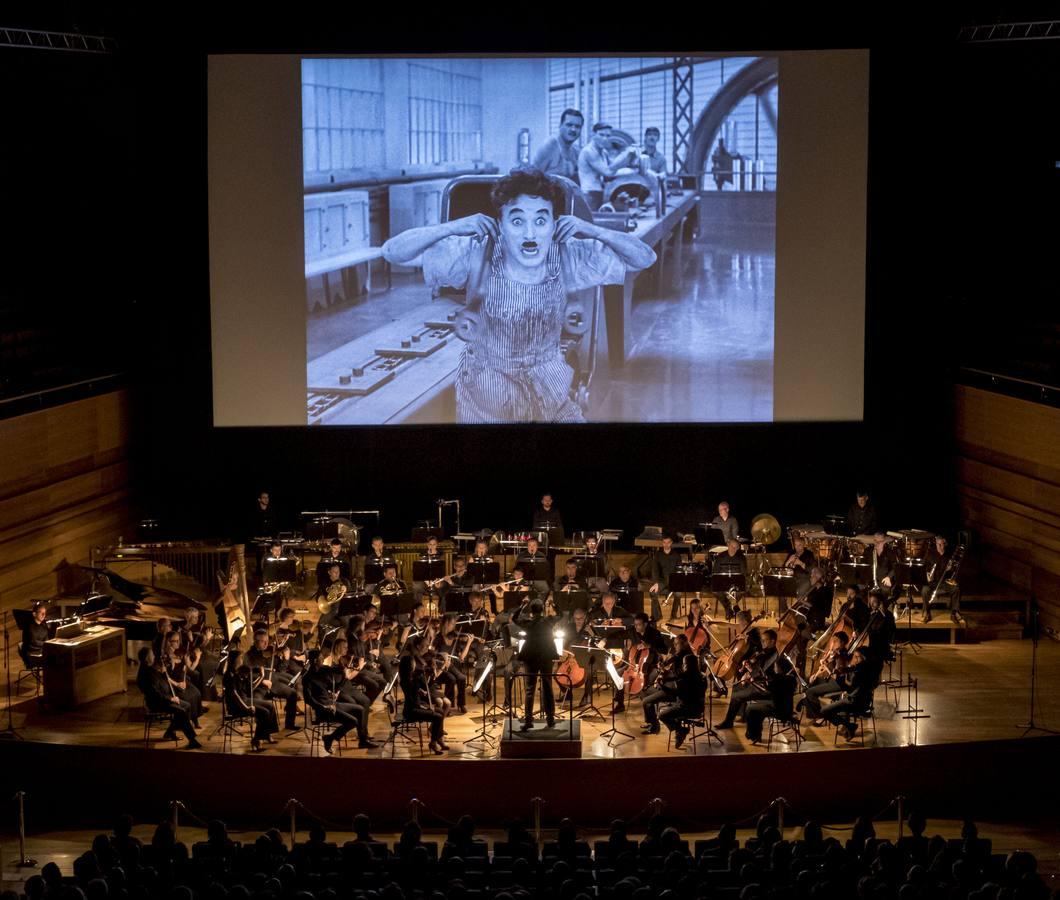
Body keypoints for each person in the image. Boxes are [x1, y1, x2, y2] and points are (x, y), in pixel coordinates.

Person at [383, 166, 655, 424]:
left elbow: (645, 258)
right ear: (499, 224)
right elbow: (393, 252)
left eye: (540, 220)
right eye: (516, 220)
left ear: (554, 224)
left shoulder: (569, 255)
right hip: (486, 398)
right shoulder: (475, 253)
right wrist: (453, 227)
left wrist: (591, 229)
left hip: (551, 392)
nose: (529, 234)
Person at [302, 650, 376, 753]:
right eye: (321, 658)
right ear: (315, 660)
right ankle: (330, 738)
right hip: (323, 710)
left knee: (360, 709)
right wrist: (323, 707)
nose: (323, 660)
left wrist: (343, 673)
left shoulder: (322, 670)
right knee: (353, 721)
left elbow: (336, 681)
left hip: (332, 704)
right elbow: (308, 699)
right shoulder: (307, 677)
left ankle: (363, 740)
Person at [136, 647, 201, 748]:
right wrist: (171, 698)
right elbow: (155, 693)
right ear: (147, 658)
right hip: (157, 702)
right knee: (181, 711)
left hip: (164, 699)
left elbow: (160, 683)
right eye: (151, 654)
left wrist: (162, 672)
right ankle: (192, 740)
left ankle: (170, 732)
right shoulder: (146, 673)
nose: (154, 656)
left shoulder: (150, 669)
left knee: (187, 705)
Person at [398, 635, 447, 754]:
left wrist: (421, 691)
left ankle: (437, 739)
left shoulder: (409, 680)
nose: (415, 666)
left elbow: (416, 692)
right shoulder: (409, 682)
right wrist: (426, 707)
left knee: (440, 712)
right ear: (409, 667)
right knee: (438, 716)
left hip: (416, 706)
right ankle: (433, 743)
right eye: (413, 665)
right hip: (412, 711)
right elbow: (413, 702)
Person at [657, 635, 707, 748]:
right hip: (699, 708)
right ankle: (679, 733)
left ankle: (681, 730)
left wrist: (661, 685)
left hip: (686, 707)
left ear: (687, 666)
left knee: (662, 715)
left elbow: (674, 692)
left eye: (684, 665)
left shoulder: (684, 680)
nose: (683, 667)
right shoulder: (701, 677)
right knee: (673, 709)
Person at [223, 653, 278, 752]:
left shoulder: (240, 672)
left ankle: (267, 734)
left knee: (270, 706)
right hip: (237, 705)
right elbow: (235, 695)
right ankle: (256, 740)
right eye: (240, 658)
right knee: (264, 713)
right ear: (234, 660)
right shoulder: (229, 675)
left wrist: (261, 677)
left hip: (245, 699)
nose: (242, 660)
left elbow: (250, 689)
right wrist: (246, 708)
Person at [819, 648, 878, 741]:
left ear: (863, 658)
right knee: (842, 702)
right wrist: (847, 670)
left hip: (854, 702)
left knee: (824, 711)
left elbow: (850, 685)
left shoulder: (861, 671)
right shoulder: (871, 670)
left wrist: (845, 672)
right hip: (866, 703)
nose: (854, 659)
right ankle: (848, 729)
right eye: (854, 656)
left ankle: (849, 726)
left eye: (857, 657)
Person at [517, 601, 559, 730]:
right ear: (542, 611)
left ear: (531, 612)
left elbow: (514, 618)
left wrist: (521, 607)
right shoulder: (548, 621)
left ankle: (528, 720)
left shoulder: (528, 623)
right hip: (546, 656)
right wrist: (554, 606)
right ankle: (550, 719)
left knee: (530, 689)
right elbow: (561, 615)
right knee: (548, 687)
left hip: (530, 657)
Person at [577, 123, 638, 211]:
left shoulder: (603, 152)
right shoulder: (589, 151)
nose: (604, 139)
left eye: (608, 136)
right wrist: (625, 155)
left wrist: (633, 169)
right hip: (589, 195)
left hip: (601, 193)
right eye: (601, 135)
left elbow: (614, 170)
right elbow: (608, 172)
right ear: (593, 135)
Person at [532, 108, 583, 181]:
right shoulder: (549, 146)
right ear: (560, 126)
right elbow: (533, 177)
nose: (573, 129)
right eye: (569, 125)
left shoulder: (576, 151)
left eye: (577, 126)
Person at [921, 535, 960, 623]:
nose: (941, 547)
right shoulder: (930, 554)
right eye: (939, 545)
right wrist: (927, 575)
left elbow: (954, 571)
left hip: (944, 582)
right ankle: (927, 612)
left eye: (943, 544)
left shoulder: (949, 555)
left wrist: (951, 569)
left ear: (945, 544)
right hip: (932, 582)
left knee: (956, 589)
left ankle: (954, 613)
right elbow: (923, 567)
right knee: (924, 590)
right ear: (936, 543)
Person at [649, 534, 685, 621]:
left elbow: (679, 569)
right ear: (662, 543)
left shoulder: (676, 555)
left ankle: (673, 616)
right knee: (653, 593)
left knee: (678, 594)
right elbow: (655, 570)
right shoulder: (658, 555)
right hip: (662, 581)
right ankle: (657, 616)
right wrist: (656, 583)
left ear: (671, 543)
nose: (666, 544)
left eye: (668, 542)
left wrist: (678, 582)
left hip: (674, 581)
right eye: (664, 542)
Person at [19, 601, 49, 669]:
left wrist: (47, 644)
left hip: (40, 651)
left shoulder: (44, 625)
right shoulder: (28, 626)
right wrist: (46, 644)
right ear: (34, 614)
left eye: (44, 613)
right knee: (51, 659)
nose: (44, 615)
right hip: (31, 654)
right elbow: (33, 642)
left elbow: (46, 639)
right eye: (41, 613)